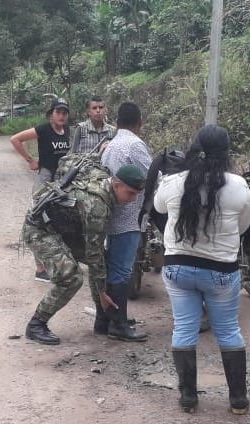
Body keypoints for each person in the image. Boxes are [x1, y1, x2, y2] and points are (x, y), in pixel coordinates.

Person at [153, 124, 250, 414]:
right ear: (227, 153)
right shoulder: (238, 186)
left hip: (178, 268)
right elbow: (243, 227)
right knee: (228, 330)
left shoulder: (174, 182)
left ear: (194, 148)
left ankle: (188, 398)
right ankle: (237, 401)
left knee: (184, 328)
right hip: (221, 272)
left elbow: (159, 208)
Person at [21, 164, 146, 345]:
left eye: (136, 194)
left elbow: (97, 258)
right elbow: (93, 253)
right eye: (130, 193)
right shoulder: (97, 206)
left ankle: (103, 320)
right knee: (71, 278)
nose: (133, 199)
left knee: (104, 263)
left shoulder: (105, 188)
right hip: (40, 231)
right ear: (117, 185)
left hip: (62, 229)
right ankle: (36, 324)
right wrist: (102, 294)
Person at [97, 102, 151, 342]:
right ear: (139, 122)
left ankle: (105, 320)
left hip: (112, 215)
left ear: (117, 122)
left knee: (113, 267)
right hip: (129, 217)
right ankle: (118, 325)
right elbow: (151, 177)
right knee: (121, 269)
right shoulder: (135, 144)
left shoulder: (110, 145)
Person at [10, 98, 71, 281]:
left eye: (64, 113)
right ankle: (40, 268)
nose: (61, 116)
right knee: (40, 222)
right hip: (45, 178)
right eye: (58, 112)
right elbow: (15, 139)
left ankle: (61, 264)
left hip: (62, 180)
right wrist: (30, 160)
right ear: (51, 114)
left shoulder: (67, 130)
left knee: (61, 223)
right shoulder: (43, 129)